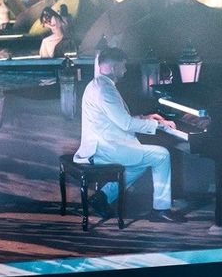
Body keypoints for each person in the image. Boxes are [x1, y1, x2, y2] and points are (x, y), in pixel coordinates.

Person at [74, 48, 185, 223]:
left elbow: (117, 119)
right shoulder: (105, 90)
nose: (125, 70)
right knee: (161, 155)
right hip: (103, 149)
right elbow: (125, 124)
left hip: (102, 145)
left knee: (141, 160)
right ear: (112, 67)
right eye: (123, 66)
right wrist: (158, 124)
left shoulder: (98, 85)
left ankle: (102, 197)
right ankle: (161, 210)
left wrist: (145, 118)